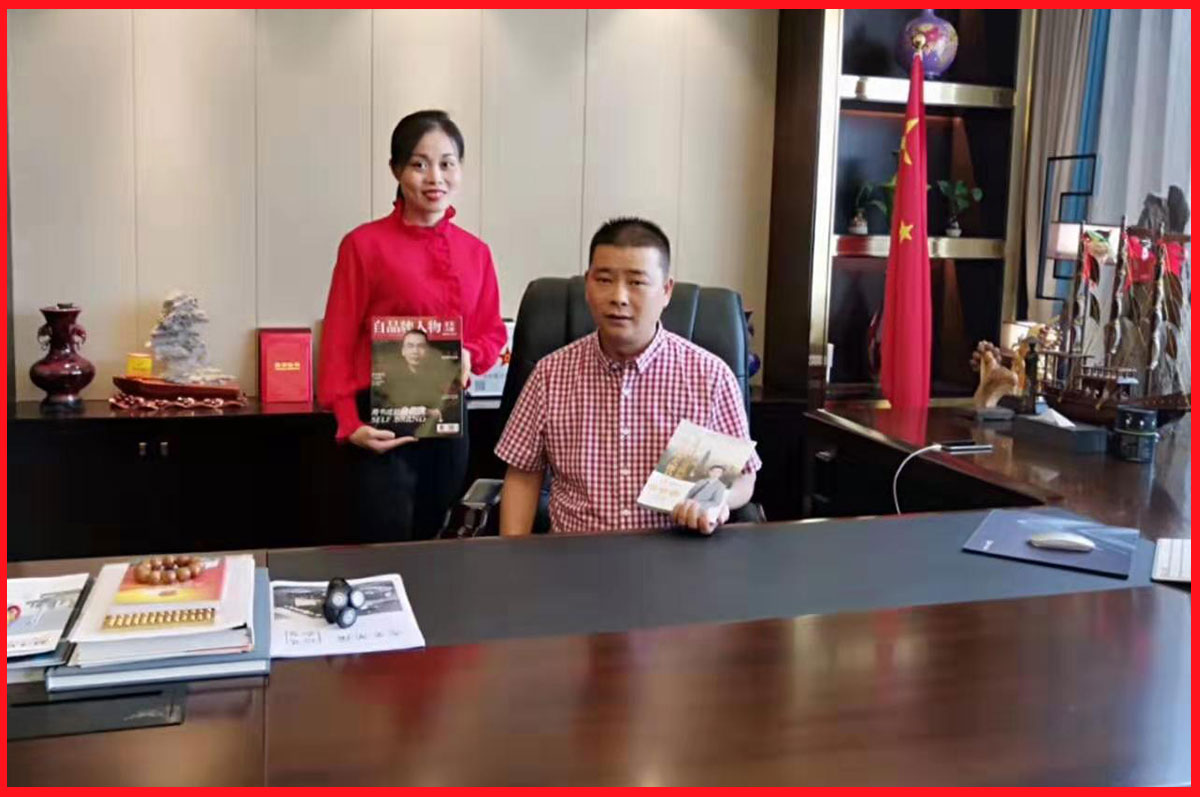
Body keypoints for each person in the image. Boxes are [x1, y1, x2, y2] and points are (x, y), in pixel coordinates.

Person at [495, 217, 760, 536]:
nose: (618, 297)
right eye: (605, 280)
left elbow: (744, 476)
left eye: (636, 282)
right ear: (588, 285)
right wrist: (512, 556)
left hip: (675, 551)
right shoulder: (550, 375)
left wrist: (716, 500)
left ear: (666, 291)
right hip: (573, 552)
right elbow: (523, 475)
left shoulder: (710, 376)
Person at [319, 110, 506, 542]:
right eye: (419, 164)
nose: (434, 177)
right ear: (396, 170)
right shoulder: (363, 245)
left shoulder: (476, 252)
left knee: (438, 543)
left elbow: (493, 332)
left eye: (447, 163)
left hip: (448, 423)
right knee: (381, 544)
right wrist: (348, 422)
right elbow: (338, 340)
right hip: (379, 423)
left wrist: (469, 356)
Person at [370, 328, 461, 438]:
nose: (415, 351)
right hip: (394, 434)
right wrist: (424, 412)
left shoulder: (442, 377)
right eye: (410, 346)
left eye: (420, 346)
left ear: (428, 351)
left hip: (436, 436)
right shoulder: (388, 379)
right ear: (403, 351)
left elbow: (448, 409)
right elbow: (384, 411)